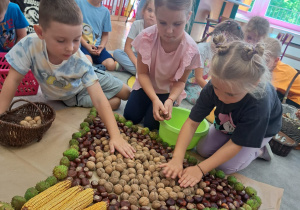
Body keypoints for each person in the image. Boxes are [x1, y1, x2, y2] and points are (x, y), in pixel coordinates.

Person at [0, 0, 134, 158]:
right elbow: (13, 80)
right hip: (71, 97)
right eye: (61, 41)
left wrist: (116, 136)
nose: (70, 48)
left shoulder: (80, 61)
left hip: (90, 77)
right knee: (116, 103)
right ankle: (111, 102)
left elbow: (98, 98)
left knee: (127, 93)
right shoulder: (28, 45)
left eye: (77, 39)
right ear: (40, 32)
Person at [160, 35, 282, 187]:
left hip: (260, 129)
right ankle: (232, 133)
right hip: (229, 121)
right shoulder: (213, 87)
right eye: (217, 88)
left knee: (225, 167)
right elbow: (192, 123)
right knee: (203, 150)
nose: (221, 97)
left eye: (230, 94)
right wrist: (177, 158)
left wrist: (200, 169)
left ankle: (259, 149)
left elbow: (235, 145)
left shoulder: (259, 104)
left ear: (253, 84)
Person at [123, 0, 201, 130]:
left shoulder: (191, 50)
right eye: (162, 22)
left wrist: (170, 100)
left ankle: (164, 103)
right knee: (130, 116)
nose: (169, 31)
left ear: (188, 17)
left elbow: (181, 82)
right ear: (156, 15)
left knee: (151, 124)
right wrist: (154, 99)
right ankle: (146, 101)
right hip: (145, 85)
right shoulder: (146, 37)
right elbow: (142, 73)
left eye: (177, 24)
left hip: (167, 91)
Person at [185, 19, 244, 105]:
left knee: (208, 98)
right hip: (185, 81)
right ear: (215, 34)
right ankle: (181, 93)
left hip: (195, 84)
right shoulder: (202, 50)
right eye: (225, 40)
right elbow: (198, 78)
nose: (224, 45)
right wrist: (214, 93)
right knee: (199, 99)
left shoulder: (221, 54)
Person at [113, 0, 156, 75]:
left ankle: (127, 68)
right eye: (149, 10)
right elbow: (127, 48)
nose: (152, 15)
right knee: (117, 53)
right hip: (137, 57)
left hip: (151, 62)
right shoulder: (137, 24)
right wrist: (137, 64)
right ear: (143, 10)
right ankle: (143, 74)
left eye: (156, 13)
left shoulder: (160, 30)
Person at [75, 0, 116, 71]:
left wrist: (102, 46)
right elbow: (74, 29)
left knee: (111, 65)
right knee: (87, 63)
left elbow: (105, 34)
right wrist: (86, 46)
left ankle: (93, 69)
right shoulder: (79, 3)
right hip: (82, 45)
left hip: (97, 48)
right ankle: (92, 69)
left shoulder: (105, 12)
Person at [264, 37, 300, 108]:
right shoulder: (272, 66)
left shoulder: (281, 71)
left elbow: (268, 89)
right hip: (287, 94)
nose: (261, 63)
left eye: (266, 61)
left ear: (276, 60)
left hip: (296, 101)